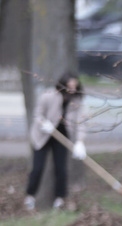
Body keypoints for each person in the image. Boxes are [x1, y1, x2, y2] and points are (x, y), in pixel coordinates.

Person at [25, 73, 87, 212]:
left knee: (61, 169)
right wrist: (43, 123)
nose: (72, 88)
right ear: (63, 85)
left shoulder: (77, 100)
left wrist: (80, 142)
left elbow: (81, 123)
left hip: (62, 137)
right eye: (70, 85)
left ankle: (60, 199)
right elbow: (37, 114)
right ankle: (30, 196)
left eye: (74, 86)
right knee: (38, 168)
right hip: (42, 136)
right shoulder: (48, 96)